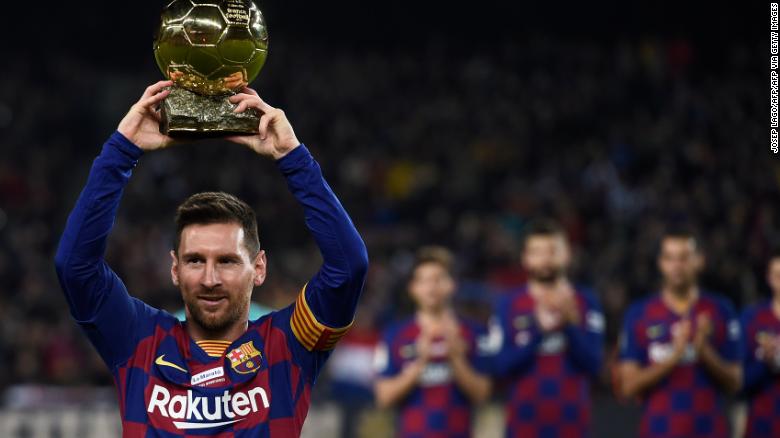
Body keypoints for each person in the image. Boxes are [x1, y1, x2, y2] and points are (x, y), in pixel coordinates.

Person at [54, 80, 369, 436]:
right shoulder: (138, 338)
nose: (209, 279)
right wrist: (122, 150)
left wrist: (292, 157)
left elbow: (349, 266)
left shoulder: (288, 345)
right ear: (174, 269)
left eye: (227, 261)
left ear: (259, 268)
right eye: (195, 261)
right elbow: (75, 265)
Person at [618, 230, 741, 438]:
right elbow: (628, 386)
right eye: (669, 258)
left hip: (709, 431)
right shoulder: (639, 313)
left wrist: (705, 352)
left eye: (684, 258)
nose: (676, 266)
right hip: (658, 430)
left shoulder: (720, 310)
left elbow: (736, 383)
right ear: (660, 263)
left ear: (699, 261)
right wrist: (674, 357)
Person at [492, 220, 605, 437]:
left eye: (552, 251)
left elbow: (594, 365)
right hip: (523, 427)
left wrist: (570, 327)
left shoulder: (585, 301)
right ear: (525, 258)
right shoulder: (509, 304)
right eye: (537, 252)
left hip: (572, 426)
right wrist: (538, 330)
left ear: (567, 255)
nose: (545, 259)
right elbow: (501, 367)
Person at [373, 246, 491, 438]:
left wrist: (456, 359)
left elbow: (482, 395)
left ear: (452, 284)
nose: (431, 287)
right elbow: (383, 398)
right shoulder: (394, 335)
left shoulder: (475, 332)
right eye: (424, 280)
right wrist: (420, 362)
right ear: (412, 288)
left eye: (438, 279)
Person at [741, 252, 780, 437]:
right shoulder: (753, 319)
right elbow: (739, 382)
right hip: (762, 425)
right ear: (769, 278)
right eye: (778, 275)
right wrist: (766, 362)